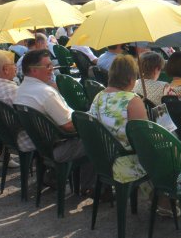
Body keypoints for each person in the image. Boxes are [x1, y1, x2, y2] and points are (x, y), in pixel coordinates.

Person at [13, 50, 95, 192]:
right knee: (97, 140)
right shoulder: (45, 93)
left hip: (41, 145)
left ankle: (59, 176)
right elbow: (68, 126)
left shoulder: (21, 90)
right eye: (48, 66)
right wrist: (91, 124)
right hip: (56, 147)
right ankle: (91, 187)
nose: (52, 69)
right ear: (33, 70)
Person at [88, 55, 148, 183]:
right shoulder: (132, 101)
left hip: (101, 159)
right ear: (131, 78)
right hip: (124, 163)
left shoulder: (99, 95)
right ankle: (162, 199)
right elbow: (144, 141)